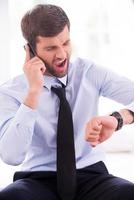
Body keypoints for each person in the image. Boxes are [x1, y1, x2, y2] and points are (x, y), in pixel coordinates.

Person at [0, 3, 134, 200]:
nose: (62, 54)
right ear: (30, 50)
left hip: (92, 175)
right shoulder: (10, 92)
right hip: (37, 179)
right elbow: (11, 156)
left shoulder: (89, 72)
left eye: (65, 43)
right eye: (51, 48)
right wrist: (33, 92)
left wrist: (119, 118)